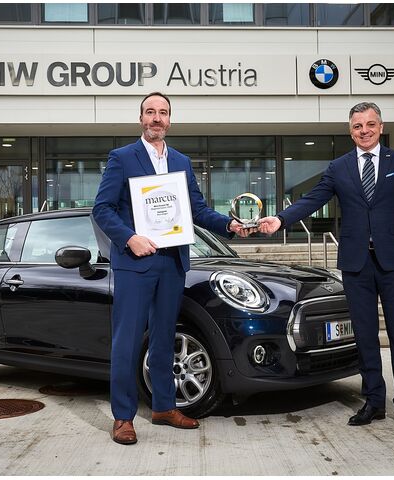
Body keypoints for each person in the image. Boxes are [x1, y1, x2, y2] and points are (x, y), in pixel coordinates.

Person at [257, 102, 394, 434]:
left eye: (370, 124)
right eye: (357, 126)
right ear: (350, 131)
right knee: (364, 335)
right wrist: (280, 219)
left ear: (380, 126)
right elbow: (313, 199)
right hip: (355, 264)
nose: (364, 131)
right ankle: (374, 401)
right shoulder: (339, 167)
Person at [93, 92, 250, 445]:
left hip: (172, 262)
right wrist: (129, 238)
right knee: (127, 341)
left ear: (169, 119)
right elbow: (102, 209)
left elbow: (197, 209)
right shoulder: (122, 158)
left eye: (162, 112)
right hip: (135, 262)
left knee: (165, 337)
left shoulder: (181, 161)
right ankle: (123, 417)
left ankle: (164, 407)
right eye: (150, 112)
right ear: (141, 119)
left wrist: (229, 225)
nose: (156, 118)